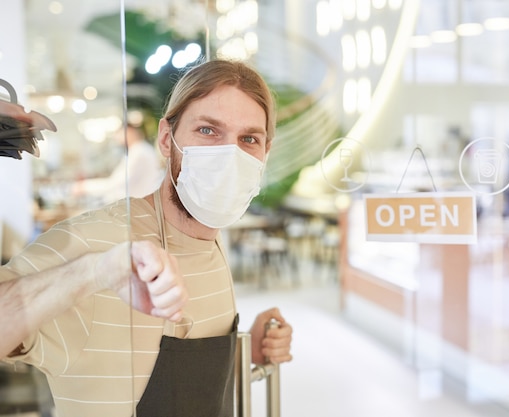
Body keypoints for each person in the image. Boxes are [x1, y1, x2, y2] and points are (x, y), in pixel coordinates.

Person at [0, 59, 293, 417]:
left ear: (265, 153)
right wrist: (94, 272)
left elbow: (167, 379)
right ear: (168, 140)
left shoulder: (211, 243)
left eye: (249, 139)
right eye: (207, 131)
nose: (228, 155)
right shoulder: (94, 241)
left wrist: (244, 349)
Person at [73, 123, 164, 205]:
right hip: (141, 204)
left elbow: (116, 183)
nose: (117, 138)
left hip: (140, 205)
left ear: (129, 132)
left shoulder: (139, 152)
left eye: (119, 134)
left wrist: (84, 187)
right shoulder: (140, 150)